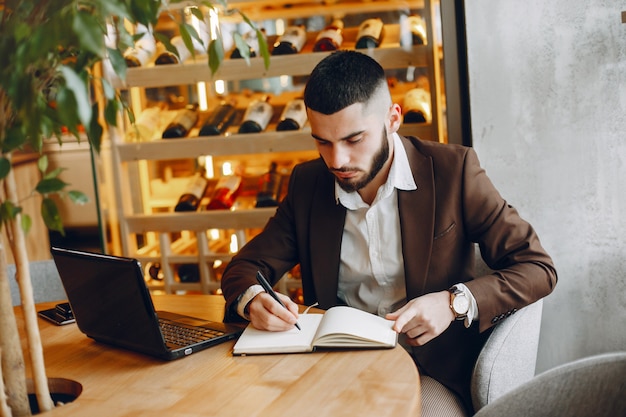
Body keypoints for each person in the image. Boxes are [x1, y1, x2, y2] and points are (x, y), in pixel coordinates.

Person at [220, 50, 557, 415]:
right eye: (322, 142)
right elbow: (244, 268)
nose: (337, 161)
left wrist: (452, 303)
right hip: (334, 369)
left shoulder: (453, 171)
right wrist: (254, 299)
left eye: (354, 139)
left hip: (429, 372)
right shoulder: (308, 184)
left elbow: (537, 267)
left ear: (392, 118)